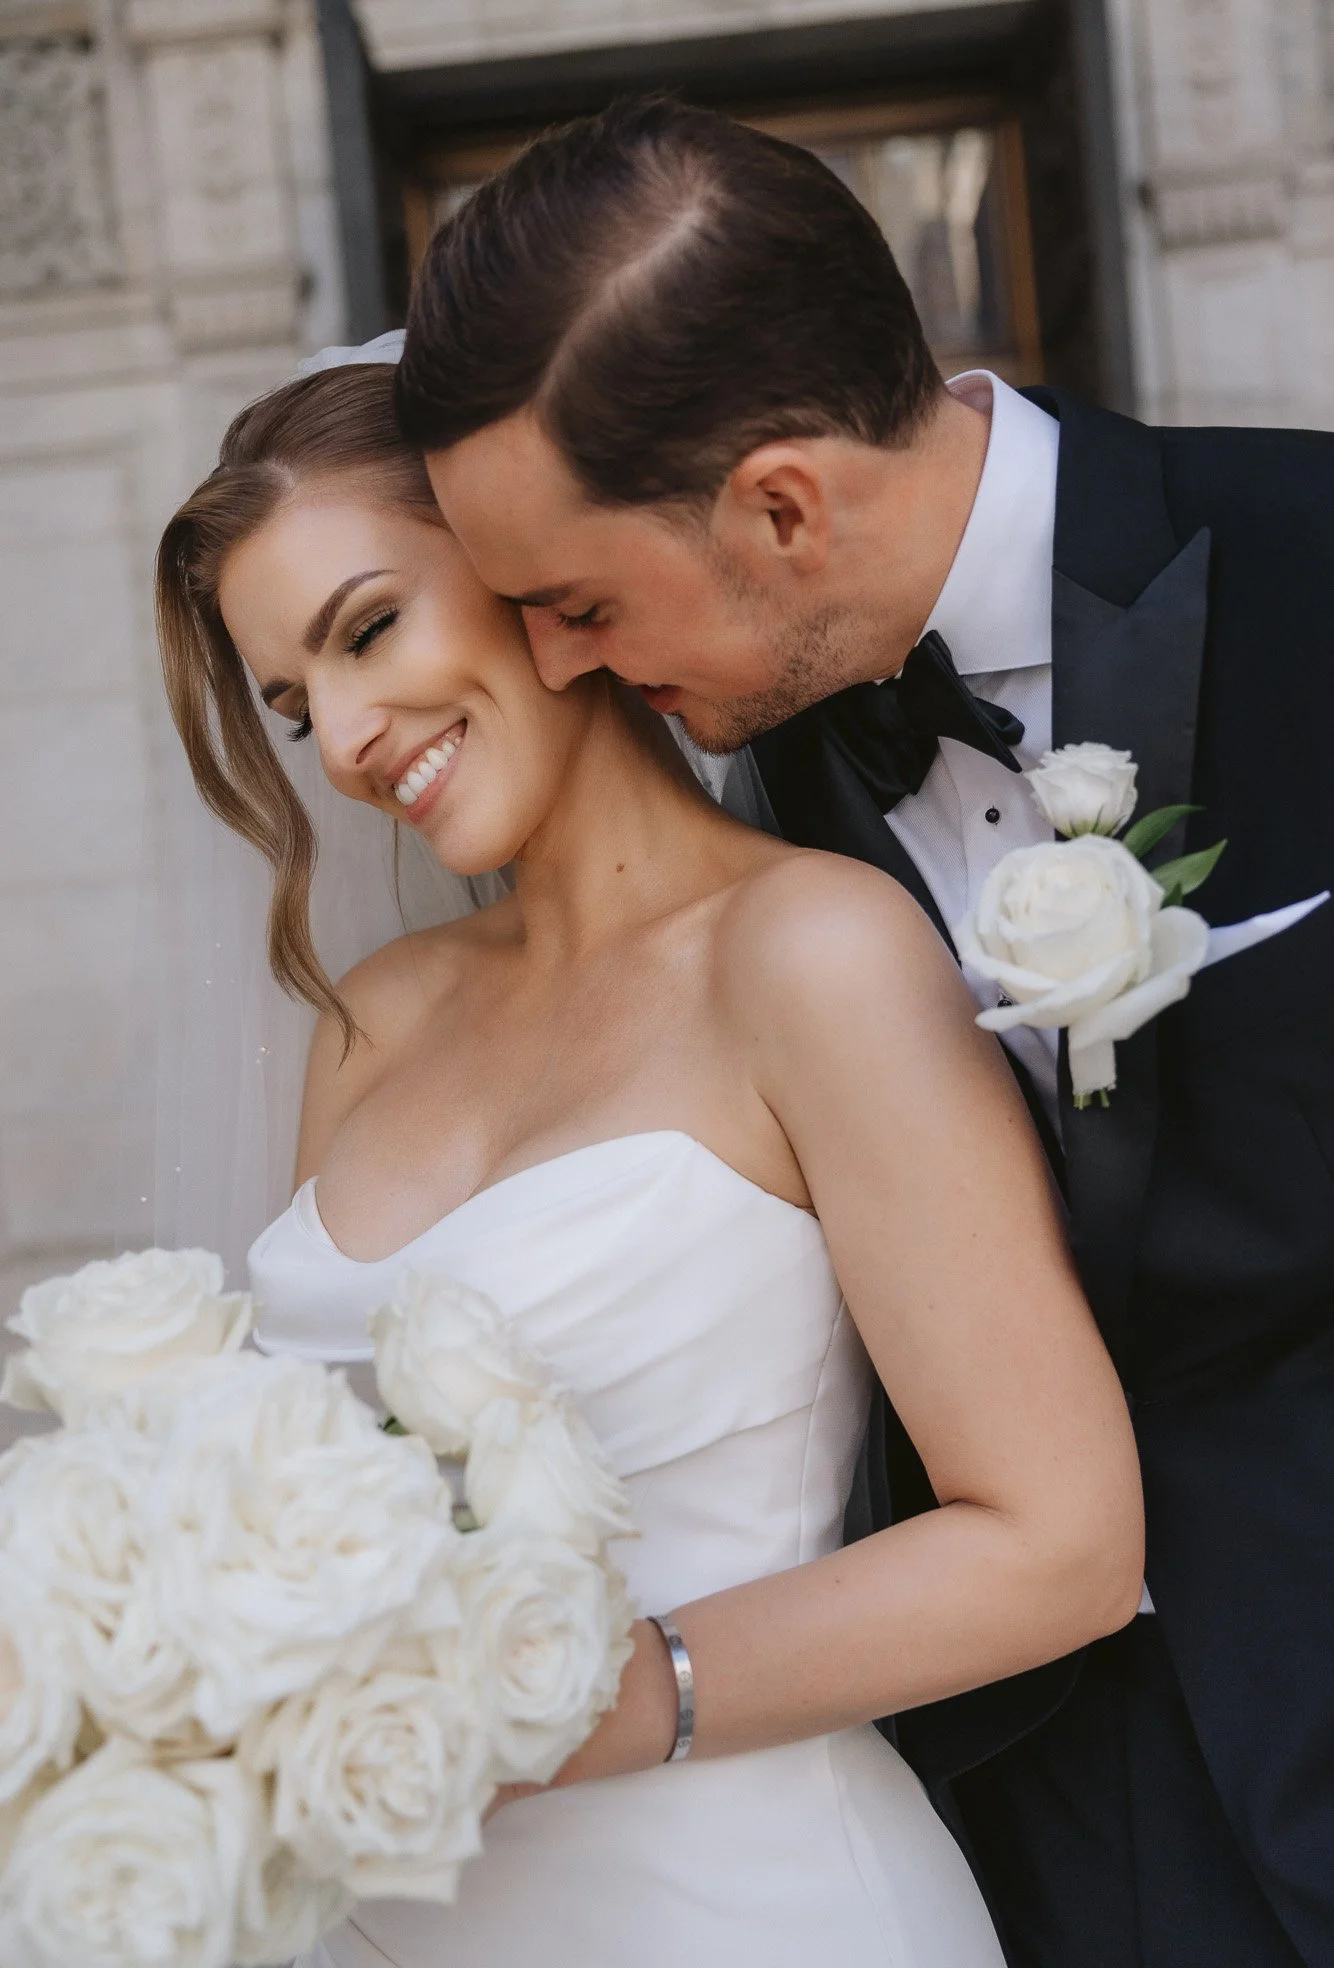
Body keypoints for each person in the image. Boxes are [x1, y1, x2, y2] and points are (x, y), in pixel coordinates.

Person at [394, 95, 1334, 1968]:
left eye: (576, 604)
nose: (565, 672)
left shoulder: (1314, 558)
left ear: (780, 506)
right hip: (1009, 1823)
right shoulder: (714, 843)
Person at [154, 359, 1141, 1968]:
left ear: (524, 575)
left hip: (747, 1902)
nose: (337, 740)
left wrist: (571, 1706)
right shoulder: (374, 1023)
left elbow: (1060, 1548)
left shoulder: (807, 953)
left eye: (365, 630)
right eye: (289, 703)